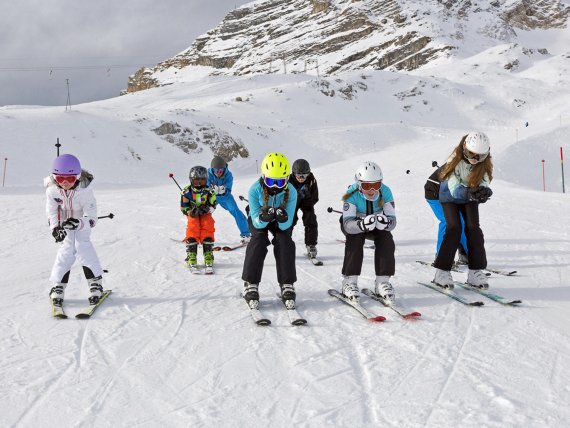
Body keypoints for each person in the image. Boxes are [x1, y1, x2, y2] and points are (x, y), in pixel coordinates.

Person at [433, 132, 493, 289]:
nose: (474, 159)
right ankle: (442, 271)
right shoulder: (454, 160)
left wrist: (483, 191)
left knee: (474, 229)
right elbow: (453, 187)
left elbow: (485, 181)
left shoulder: (484, 164)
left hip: (469, 197)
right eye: (470, 154)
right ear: (464, 148)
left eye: (479, 156)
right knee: (454, 228)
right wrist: (470, 193)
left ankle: (475, 271)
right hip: (450, 197)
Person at [46, 154, 104, 308]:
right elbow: (52, 211)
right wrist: (55, 227)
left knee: (83, 248)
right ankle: (58, 285)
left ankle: (95, 283)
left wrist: (79, 222)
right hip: (64, 226)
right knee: (65, 252)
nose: (65, 183)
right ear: (54, 177)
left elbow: (91, 217)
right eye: (60, 179)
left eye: (70, 179)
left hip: (81, 225)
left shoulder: (85, 191)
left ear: (77, 177)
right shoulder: (52, 191)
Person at [241, 152, 298, 307]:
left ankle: (287, 284)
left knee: (285, 241)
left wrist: (283, 219)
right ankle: (251, 283)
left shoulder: (291, 191)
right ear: (263, 177)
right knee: (258, 240)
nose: (274, 187)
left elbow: (287, 225)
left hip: (280, 218)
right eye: (271, 181)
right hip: (260, 216)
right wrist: (264, 218)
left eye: (280, 183)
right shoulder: (254, 190)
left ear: (287, 180)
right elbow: (256, 222)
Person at [339, 161, 397, 302]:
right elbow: (347, 225)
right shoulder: (351, 194)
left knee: (386, 239)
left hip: (376, 224)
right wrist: (362, 224)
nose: (371, 190)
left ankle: (382, 281)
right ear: (359, 184)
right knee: (355, 239)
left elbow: (392, 222)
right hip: (354, 224)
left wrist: (386, 223)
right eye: (366, 186)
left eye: (376, 185)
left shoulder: (386, 191)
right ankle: (349, 281)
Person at [425, 164, 469, 265]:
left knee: (461, 220)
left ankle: (465, 254)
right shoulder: (457, 164)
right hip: (434, 193)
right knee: (448, 221)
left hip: (450, 195)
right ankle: (441, 256)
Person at [207, 156, 251, 244]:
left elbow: (228, 188)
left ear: (224, 169)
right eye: (216, 171)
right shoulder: (208, 174)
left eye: (220, 171)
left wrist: (224, 189)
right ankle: (198, 235)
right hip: (212, 196)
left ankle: (246, 235)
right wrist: (210, 189)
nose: (218, 173)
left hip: (225, 197)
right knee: (204, 212)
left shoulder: (228, 174)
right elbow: (205, 186)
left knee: (236, 211)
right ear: (212, 169)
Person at [181, 166, 217, 270]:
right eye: (196, 180)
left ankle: (208, 253)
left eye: (202, 180)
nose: (199, 183)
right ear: (191, 180)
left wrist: (207, 209)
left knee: (208, 224)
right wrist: (190, 212)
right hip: (193, 215)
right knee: (193, 225)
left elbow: (213, 204)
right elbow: (183, 207)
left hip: (205, 214)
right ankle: (191, 254)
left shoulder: (209, 191)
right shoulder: (186, 192)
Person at [289, 159, 319, 258]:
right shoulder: (289, 181)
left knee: (310, 219)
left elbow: (315, 198)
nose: (301, 178)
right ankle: (285, 241)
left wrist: (307, 196)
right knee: (289, 219)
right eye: (299, 175)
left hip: (307, 202)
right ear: (294, 174)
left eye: (304, 175)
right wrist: (296, 197)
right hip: (293, 203)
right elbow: (286, 198)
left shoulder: (311, 180)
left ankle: (311, 244)